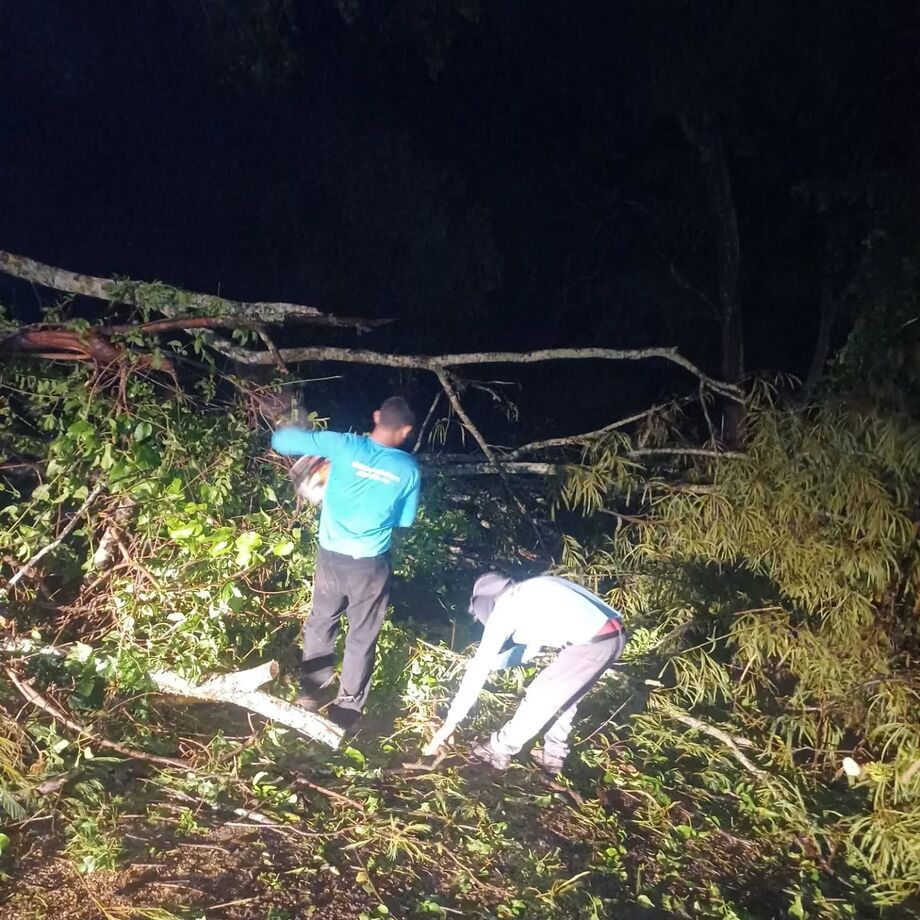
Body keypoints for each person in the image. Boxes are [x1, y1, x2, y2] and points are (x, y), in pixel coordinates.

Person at [272, 396, 420, 728]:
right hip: (370, 566)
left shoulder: (343, 445)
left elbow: (281, 441)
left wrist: (304, 432)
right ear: (406, 430)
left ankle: (310, 695)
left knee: (321, 624)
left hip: (331, 559)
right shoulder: (408, 468)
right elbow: (404, 520)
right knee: (362, 636)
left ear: (377, 416)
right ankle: (346, 711)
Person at [423, 572, 626, 774]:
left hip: (591, 644)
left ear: (486, 605)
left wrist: (450, 722)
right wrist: (493, 664)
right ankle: (553, 755)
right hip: (614, 636)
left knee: (541, 695)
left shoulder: (505, 608)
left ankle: (498, 749)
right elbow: (530, 651)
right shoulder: (531, 591)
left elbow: (478, 668)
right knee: (567, 696)